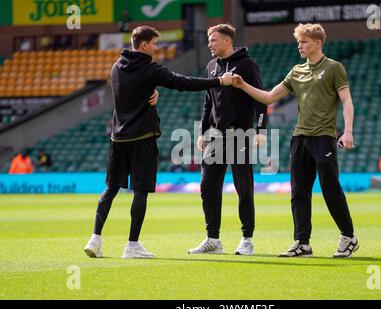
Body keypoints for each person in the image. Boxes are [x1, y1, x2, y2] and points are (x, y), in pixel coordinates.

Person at [83, 26, 234, 259]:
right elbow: (183, 83)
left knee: (110, 188)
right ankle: (132, 245)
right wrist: (218, 82)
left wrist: (152, 92)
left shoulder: (116, 67)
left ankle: (95, 239)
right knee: (140, 191)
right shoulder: (150, 69)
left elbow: (129, 94)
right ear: (143, 45)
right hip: (142, 138)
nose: (157, 48)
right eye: (154, 43)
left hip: (117, 138)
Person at [231, 23, 359, 258]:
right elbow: (269, 97)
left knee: (330, 189)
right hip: (299, 137)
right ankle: (302, 243)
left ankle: (348, 236)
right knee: (299, 192)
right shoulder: (296, 71)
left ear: (317, 43)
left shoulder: (334, 68)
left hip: (324, 137)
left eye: (304, 42)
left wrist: (348, 131)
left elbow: (347, 101)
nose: (299, 46)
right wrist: (242, 85)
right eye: (299, 42)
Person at [188, 24, 268, 256]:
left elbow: (260, 99)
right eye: (209, 40)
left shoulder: (247, 65)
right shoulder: (211, 67)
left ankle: (247, 239)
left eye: (213, 40)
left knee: (244, 187)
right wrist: (203, 131)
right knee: (207, 186)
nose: (210, 44)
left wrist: (261, 130)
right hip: (215, 137)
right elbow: (208, 102)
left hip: (240, 134)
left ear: (226, 41)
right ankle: (213, 239)